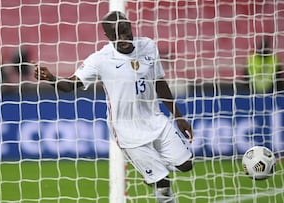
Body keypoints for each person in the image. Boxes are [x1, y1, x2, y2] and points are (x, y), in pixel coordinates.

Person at [34, 11, 193, 203]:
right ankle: (153, 175)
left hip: (156, 120)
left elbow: (160, 83)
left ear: (130, 26)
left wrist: (178, 116)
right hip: (127, 130)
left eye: (126, 32)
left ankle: (150, 171)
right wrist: (51, 78)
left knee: (186, 165)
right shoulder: (100, 59)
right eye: (117, 35)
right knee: (163, 183)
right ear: (108, 37)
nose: (124, 38)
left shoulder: (148, 46)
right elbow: (70, 85)